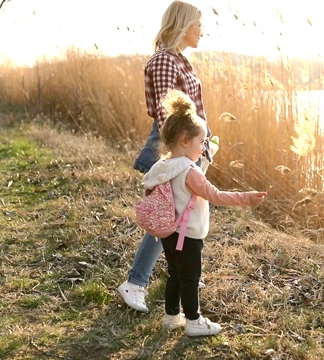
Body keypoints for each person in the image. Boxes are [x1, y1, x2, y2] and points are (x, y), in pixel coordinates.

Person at [145, 89, 266, 336]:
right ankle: (193, 321)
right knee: (190, 279)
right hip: (188, 236)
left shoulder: (162, 166)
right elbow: (216, 196)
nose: (203, 147)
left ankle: (171, 316)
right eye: (201, 142)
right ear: (184, 141)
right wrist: (247, 198)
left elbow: (150, 192)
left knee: (175, 276)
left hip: (168, 233)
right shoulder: (190, 172)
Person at [118, 0, 212, 312]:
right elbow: (166, 118)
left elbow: (192, 109)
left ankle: (182, 272)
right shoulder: (163, 62)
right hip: (173, 148)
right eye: (198, 24)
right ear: (184, 26)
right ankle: (135, 282)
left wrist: (205, 141)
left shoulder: (180, 60)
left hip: (189, 146)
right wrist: (180, 159)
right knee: (168, 217)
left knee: (183, 216)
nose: (202, 30)